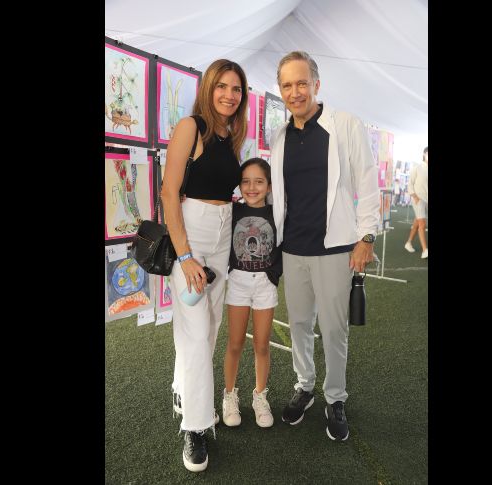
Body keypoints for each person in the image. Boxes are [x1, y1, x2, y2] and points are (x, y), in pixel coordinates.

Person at [269, 51, 379, 441]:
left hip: (335, 249)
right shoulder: (280, 137)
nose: (295, 92)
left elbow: (367, 182)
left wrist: (366, 236)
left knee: (334, 329)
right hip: (293, 249)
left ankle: (335, 397)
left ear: (316, 84)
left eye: (302, 83)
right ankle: (305, 386)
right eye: (287, 85)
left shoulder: (345, 125)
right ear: (280, 90)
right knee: (299, 323)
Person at [160, 59, 248, 472]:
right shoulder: (189, 126)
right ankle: (195, 428)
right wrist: (184, 255)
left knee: (207, 330)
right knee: (196, 333)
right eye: (223, 86)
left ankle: (183, 388)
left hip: (222, 237)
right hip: (191, 239)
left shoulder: (232, 135)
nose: (230, 94)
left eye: (237, 88)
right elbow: (168, 192)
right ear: (209, 88)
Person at [221, 158, 282, 429]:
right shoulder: (232, 211)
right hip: (238, 282)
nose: (251, 187)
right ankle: (229, 396)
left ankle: (260, 396)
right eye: (245, 181)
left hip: (264, 285)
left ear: (269, 185)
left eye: (259, 181)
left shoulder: (277, 213)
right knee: (235, 343)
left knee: (262, 344)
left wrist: (274, 274)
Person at [404, 146, 428, 259]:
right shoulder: (417, 168)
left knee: (417, 223)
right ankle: (425, 250)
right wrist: (415, 196)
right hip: (418, 199)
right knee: (422, 223)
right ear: (424, 154)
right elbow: (410, 184)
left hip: (426, 200)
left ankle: (408, 243)